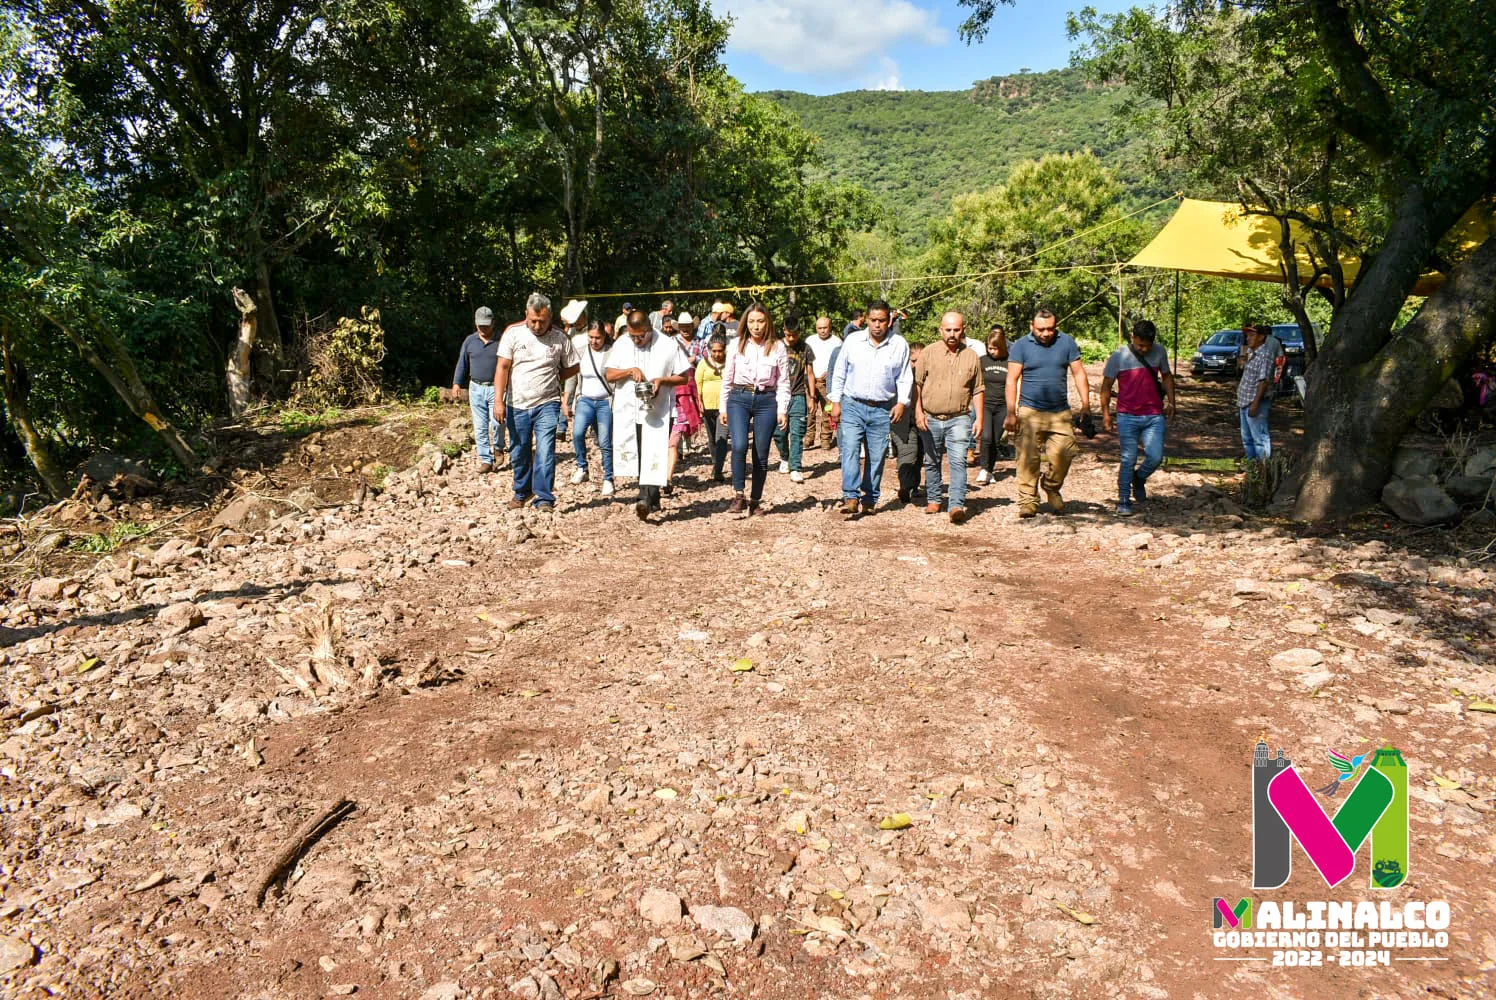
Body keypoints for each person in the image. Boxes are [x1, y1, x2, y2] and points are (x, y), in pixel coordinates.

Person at [493, 294, 580, 511]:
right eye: (533, 321)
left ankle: (544, 497)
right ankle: (522, 491)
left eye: (542, 321)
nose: (538, 325)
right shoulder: (513, 333)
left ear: (550, 317)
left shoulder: (560, 338)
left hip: (548, 403)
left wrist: (555, 378)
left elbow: (573, 366)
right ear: (526, 315)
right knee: (519, 450)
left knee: (545, 450)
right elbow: (502, 367)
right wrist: (498, 401)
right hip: (517, 403)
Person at [1004, 308, 1090, 518]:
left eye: (1050, 329)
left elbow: (1078, 373)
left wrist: (1086, 405)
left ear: (1056, 326)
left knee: (1066, 453)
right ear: (1032, 327)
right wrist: (1011, 412)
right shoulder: (1021, 346)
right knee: (1027, 458)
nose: (1045, 333)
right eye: (1041, 329)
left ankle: (1051, 486)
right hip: (1029, 410)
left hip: (1059, 412)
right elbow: (1012, 379)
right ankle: (1028, 501)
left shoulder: (1066, 342)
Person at [829, 299, 912, 517]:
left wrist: (902, 402)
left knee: (876, 455)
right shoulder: (853, 341)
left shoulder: (899, 344)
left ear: (889, 320)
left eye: (882, 321)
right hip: (853, 404)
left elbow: (904, 377)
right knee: (850, 449)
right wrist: (835, 402)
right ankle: (851, 496)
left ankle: (870, 498)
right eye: (873, 320)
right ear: (867, 319)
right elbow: (840, 372)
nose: (877, 325)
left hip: (882, 407)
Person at [606, 310, 691, 520]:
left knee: (654, 451)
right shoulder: (622, 344)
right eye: (633, 336)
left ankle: (644, 499)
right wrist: (628, 371)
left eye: (641, 336)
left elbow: (684, 377)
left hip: (659, 408)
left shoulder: (668, 345)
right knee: (640, 452)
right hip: (629, 408)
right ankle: (651, 499)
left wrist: (662, 381)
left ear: (650, 329)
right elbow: (609, 374)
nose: (637, 340)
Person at [1100, 319, 1176, 516]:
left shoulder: (1160, 351)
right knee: (1128, 458)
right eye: (1140, 345)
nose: (1143, 349)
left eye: (1147, 346)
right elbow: (1106, 386)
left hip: (1153, 415)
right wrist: (1106, 414)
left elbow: (1167, 376)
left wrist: (1172, 401)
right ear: (1133, 338)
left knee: (1156, 456)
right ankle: (1124, 499)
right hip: (1127, 415)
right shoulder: (1119, 356)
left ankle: (1139, 478)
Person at [914, 312, 985, 523]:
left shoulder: (972, 356)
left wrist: (979, 418)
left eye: (956, 330)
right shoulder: (928, 353)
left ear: (964, 329)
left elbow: (978, 389)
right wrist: (918, 412)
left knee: (958, 461)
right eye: (948, 330)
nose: (952, 334)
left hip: (960, 417)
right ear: (940, 330)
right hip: (931, 416)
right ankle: (934, 499)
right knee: (932, 460)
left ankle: (956, 505)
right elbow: (916, 386)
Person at [720, 302, 790, 515]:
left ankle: (755, 500)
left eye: (760, 321)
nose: (756, 326)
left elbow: (783, 381)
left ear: (767, 322)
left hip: (766, 400)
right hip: (739, 398)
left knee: (761, 452)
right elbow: (727, 378)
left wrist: (782, 409)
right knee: (739, 445)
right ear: (745, 322)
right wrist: (723, 407)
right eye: (751, 321)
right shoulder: (736, 344)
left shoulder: (778, 346)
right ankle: (738, 494)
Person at [451, 306, 505, 472]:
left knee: (498, 422)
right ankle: (485, 460)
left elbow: (508, 365)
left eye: (486, 325)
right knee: (480, 426)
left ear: (493, 323)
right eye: (480, 325)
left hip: (495, 388)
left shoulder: (501, 341)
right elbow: (462, 363)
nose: (483, 329)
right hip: (475, 387)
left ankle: (498, 448)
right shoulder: (470, 341)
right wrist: (456, 383)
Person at [567, 321, 616, 496]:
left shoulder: (612, 353)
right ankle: (582, 467)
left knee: (604, 441)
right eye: (591, 337)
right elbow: (572, 376)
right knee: (577, 433)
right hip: (585, 400)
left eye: (598, 338)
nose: (594, 341)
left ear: (604, 336)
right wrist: (567, 399)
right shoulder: (581, 351)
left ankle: (608, 478)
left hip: (605, 401)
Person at [773, 315, 816, 483]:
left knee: (798, 433)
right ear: (784, 331)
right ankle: (785, 457)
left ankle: (796, 467)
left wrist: (811, 397)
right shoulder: (776, 346)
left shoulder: (805, 348)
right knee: (778, 433)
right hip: (778, 396)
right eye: (788, 334)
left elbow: (810, 373)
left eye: (795, 335)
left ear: (799, 332)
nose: (791, 338)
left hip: (798, 395)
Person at [666, 320, 704, 493]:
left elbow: (692, 386)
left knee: (672, 443)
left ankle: (668, 478)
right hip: (661, 409)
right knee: (664, 444)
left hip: (679, 407)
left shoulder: (686, 368)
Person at [889, 342, 924, 505]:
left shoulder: (928, 376)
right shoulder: (898, 375)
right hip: (902, 420)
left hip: (923, 420)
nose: (916, 365)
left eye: (920, 361)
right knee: (907, 451)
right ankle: (906, 486)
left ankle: (913, 486)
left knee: (920, 455)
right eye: (913, 361)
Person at [975, 324, 1010, 486]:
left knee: (996, 440)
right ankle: (983, 468)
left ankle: (990, 470)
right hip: (986, 404)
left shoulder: (1010, 362)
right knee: (986, 437)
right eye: (989, 348)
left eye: (995, 348)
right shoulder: (982, 361)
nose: (992, 351)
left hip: (1003, 406)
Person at [1237, 323, 1275, 462]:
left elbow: (1263, 381)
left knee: (1259, 437)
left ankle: (1263, 469)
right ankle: (1252, 466)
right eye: (1247, 335)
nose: (1248, 338)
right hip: (1244, 401)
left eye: (1252, 335)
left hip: (1255, 402)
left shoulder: (1265, 355)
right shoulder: (1251, 353)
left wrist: (1255, 403)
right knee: (1247, 438)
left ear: (1261, 337)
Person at [804, 316, 842, 451]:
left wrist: (831, 372)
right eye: (820, 328)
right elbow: (805, 360)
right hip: (811, 379)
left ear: (829, 327)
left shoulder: (837, 342)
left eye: (825, 327)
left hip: (828, 381)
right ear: (816, 328)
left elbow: (840, 361)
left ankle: (826, 438)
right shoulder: (810, 340)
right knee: (811, 410)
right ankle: (809, 437)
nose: (822, 331)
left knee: (827, 411)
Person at [695, 332, 729, 482]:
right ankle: (715, 462)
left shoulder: (731, 362)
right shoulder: (703, 363)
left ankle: (718, 469)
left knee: (721, 437)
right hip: (707, 406)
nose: (717, 354)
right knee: (711, 438)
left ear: (724, 350)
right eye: (714, 351)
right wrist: (699, 401)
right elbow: (698, 383)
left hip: (725, 407)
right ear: (710, 350)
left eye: (719, 351)